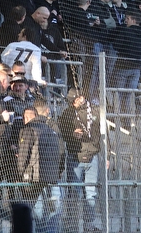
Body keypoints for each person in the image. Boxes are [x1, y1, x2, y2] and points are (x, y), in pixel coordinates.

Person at [58, 88, 102, 229]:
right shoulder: (67, 113)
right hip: (74, 156)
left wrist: (106, 156)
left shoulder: (95, 111)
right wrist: (72, 135)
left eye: (79, 98)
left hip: (92, 155)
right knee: (74, 192)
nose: (78, 102)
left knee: (91, 192)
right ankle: (72, 223)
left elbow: (103, 133)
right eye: (74, 101)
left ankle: (89, 224)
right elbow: (62, 133)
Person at [16, 100, 65, 221]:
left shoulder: (29, 129)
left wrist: (20, 174)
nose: (25, 119)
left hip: (34, 177)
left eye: (26, 117)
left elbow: (23, 155)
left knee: (36, 209)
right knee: (51, 209)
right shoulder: (51, 129)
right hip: (51, 176)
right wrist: (59, 171)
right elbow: (61, 152)